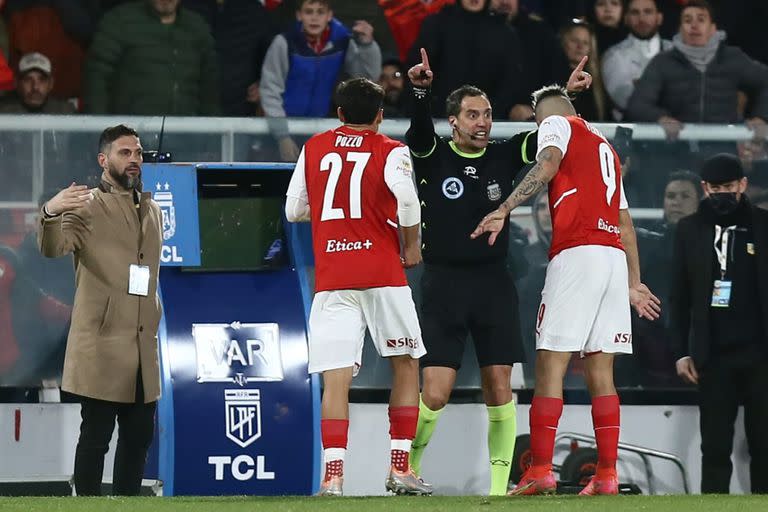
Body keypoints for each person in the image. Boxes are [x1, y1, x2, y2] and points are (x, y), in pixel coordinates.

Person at [404, 48, 592, 496]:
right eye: (472, 115)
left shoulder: (506, 154)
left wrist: (567, 98)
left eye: (487, 114)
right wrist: (418, 92)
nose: (482, 122)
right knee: (434, 393)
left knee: (500, 389)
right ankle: (405, 471)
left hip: (493, 284)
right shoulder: (432, 155)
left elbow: (554, 138)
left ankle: (495, 492)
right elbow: (417, 129)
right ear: (453, 121)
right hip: (443, 284)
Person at [472, 84, 660, 496]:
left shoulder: (554, 124)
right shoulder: (605, 148)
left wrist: (504, 208)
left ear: (543, 117)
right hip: (612, 258)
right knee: (601, 369)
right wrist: (633, 282)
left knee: (550, 365)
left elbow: (549, 162)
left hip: (577, 253)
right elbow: (625, 223)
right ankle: (607, 475)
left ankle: (540, 468)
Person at [284, 77, 431, 497]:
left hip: (333, 278)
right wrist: (412, 245)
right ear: (380, 116)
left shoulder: (314, 148)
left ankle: (333, 478)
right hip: (383, 272)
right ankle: (400, 468)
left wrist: (336, 218)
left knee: (336, 378)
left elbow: (294, 209)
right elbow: (406, 200)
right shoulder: (390, 149)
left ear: (340, 114)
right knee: (405, 362)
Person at [37, 125, 163, 496]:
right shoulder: (85, 205)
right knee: (95, 438)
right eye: (125, 153)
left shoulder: (152, 209)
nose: (134, 160)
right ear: (103, 160)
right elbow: (52, 247)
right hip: (103, 346)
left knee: (139, 438)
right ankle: (87, 503)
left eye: (138, 153)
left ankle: (127, 504)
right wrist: (49, 212)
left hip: (142, 349)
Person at [671, 154, 768, 494]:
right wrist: (682, 352)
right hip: (711, 357)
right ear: (704, 188)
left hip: (760, 353)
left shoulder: (764, 225)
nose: (722, 193)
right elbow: (678, 297)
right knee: (714, 448)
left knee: (764, 445)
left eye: (729, 187)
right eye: (715, 188)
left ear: (743, 185)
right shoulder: (689, 229)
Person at [626, 0, 768, 140]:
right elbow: (638, 104)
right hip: (676, 148)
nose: (694, 25)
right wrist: (660, 118)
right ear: (680, 29)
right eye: (688, 21)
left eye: (701, 20)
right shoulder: (662, 62)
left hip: (724, 147)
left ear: (712, 28)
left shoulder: (732, 58)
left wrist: (762, 117)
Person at [260, 0, 382, 162]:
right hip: (283, 132)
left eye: (320, 12)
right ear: (299, 15)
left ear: (329, 15)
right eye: (309, 12)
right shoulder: (284, 43)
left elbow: (367, 81)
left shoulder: (342, 42)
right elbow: (270, 90)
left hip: (323, 131)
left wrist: (368, 46)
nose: (314, 18)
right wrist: (282, 136)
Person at [84, 0, 219, 115]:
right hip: (131, 138)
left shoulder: (197, 28)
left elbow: (210, 90)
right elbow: (97, 79)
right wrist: (101, 134)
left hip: (186, 136)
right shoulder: (119, 22)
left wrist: (212, 136)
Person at [601, 0, 672, 119]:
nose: (641, 18)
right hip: (631, 131)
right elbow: (625, 100)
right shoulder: (613, 56)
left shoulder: (676, 51)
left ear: (659, 18)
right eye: (635, 12)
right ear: (626, 18)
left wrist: (641, 85)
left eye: (648, 12)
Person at [0, 52, 76, 113]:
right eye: (28, 80)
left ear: (51, 84)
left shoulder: (65, 112)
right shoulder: (3, 112)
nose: (35, 87)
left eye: (42, 80)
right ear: (16, 83)